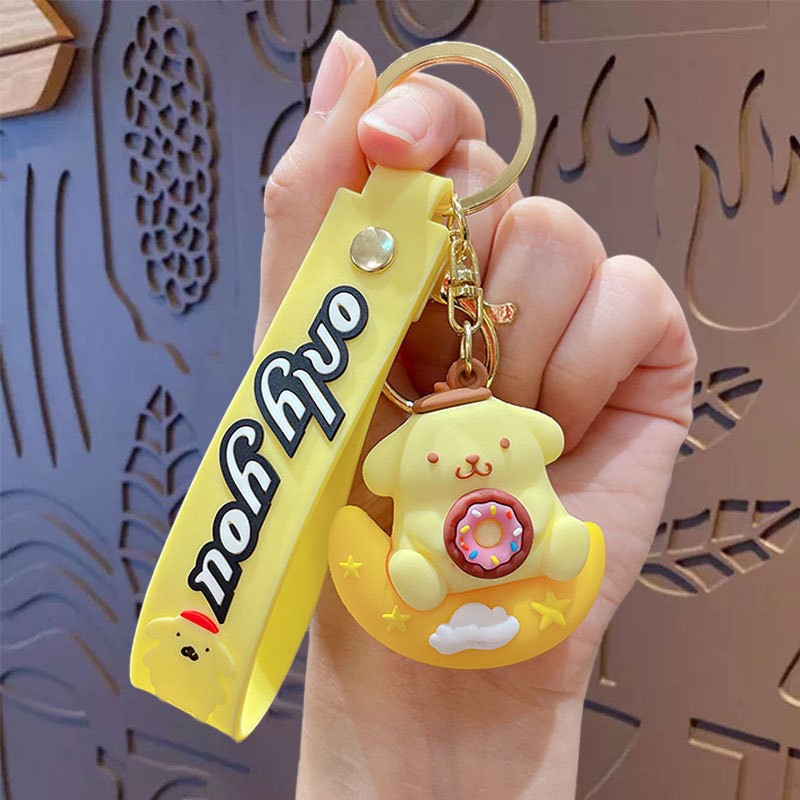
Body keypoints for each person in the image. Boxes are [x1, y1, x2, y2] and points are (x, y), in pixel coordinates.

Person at [255, 31, 696, 800]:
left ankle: (549, 548)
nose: (467, 464)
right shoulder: (398, 473)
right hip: (421, 579)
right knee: (419, 561)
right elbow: (382, 484)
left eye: (492, 451)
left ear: (529, 441)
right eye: (437, 462)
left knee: (552, 536)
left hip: (523, 580)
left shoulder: (518, 452)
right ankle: (425, 573)